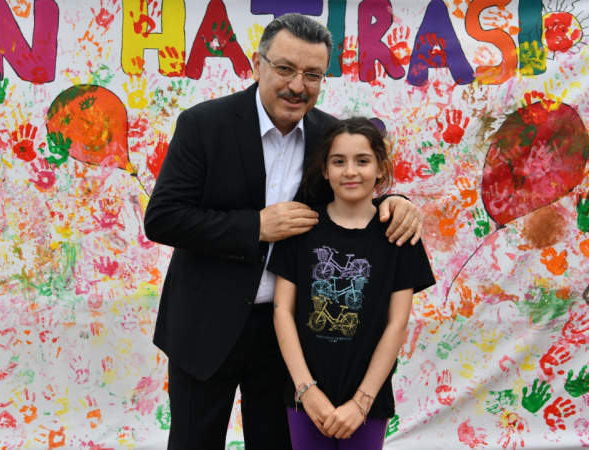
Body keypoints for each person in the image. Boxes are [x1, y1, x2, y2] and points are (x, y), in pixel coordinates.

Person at [143, 14, 423, 450]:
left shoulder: (329, 135)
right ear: (258, 65)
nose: (297, 85)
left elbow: (355, 186)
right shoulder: (204, 123)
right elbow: (163, 217)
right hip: (205, 323)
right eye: (285, 68)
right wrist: (255, 226)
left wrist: (396, 202)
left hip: (289, 334)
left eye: (312, 74)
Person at [267, 117, 436, 449]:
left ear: (381, 169)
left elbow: (397, 323)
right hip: (305, 395)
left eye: (362, 161)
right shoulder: (301, 229)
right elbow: (282, 311)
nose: (350, 171)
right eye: (338, 161)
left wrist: (362, 401)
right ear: (324, 169)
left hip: (368, 399)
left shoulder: (398, 236)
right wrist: (306, 390)